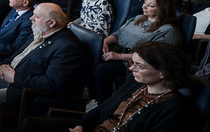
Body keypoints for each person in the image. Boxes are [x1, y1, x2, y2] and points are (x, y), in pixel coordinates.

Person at [22, 42, 200, 131]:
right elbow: (103, 109)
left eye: (139, 66)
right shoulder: (135, 83)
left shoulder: (176, 109)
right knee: (31, 124)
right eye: (132, 63)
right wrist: (81, 126)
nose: (131, 69)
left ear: (163, 72)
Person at [0, 3, 88, 132]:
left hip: (29, 90)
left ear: (52, 23)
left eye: (36, 16)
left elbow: (53, 83)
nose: (31, 18)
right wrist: (5, 64)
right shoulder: (40, 31)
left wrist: (15, 78)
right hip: (13, 74)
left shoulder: (68, 47)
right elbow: (18, 54)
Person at [90, 0, 181, 102]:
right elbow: (118, 34)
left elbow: (154, 56)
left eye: (150, 6)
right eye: (145, 3)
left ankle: (103, 103)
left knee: (101, 70)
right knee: (87, 57)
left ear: (163, 9)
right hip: (115, 51)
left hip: (132, 62)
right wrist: (105, 41)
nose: (144, 6)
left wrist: (120, 56)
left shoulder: (167, 30)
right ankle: (93, 98)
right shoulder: (138, 18)